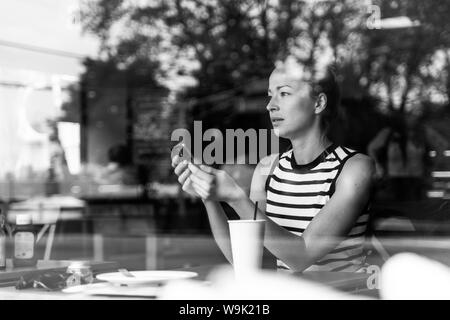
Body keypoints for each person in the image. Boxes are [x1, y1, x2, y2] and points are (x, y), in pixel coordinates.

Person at [172, 56, 375, 272]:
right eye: (270, 96)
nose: (270, 105)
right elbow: (246, 260)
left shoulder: (354, 169)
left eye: (284, 93)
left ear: (319, 103)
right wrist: (209, 198)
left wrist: (235, 197)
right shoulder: (267, 170)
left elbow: (302, 256)